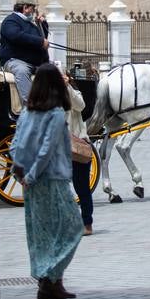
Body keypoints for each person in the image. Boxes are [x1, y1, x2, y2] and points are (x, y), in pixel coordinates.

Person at [11, 63, 83, 299]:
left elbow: (15, 144)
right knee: (72, 227)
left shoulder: (26, 112)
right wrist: (32, 175)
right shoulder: (54, 115)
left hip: (30, 183)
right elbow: (46, 150)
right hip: (51, 178)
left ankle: (50, 284)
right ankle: (50, 277)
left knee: (42, 233)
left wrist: (20, 173)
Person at [0, 0, 50, 105]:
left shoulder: (31, 23)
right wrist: (40, 41)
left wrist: (43, 24)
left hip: (36, 63)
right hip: (15, 61)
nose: (35, 11)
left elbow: (42, 38)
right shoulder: (11, 21)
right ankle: (31, 105)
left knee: (52, 71)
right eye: (33, 9)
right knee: (21, 71)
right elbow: (16, 36)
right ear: (25, 8)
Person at [64, 72, 94, 236]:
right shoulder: (49, 96)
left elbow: (80, 105)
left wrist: (67, 86)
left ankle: (87, 223)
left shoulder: (74, 93)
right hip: (59, 147)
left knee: (81, 186)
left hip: (77, 145)